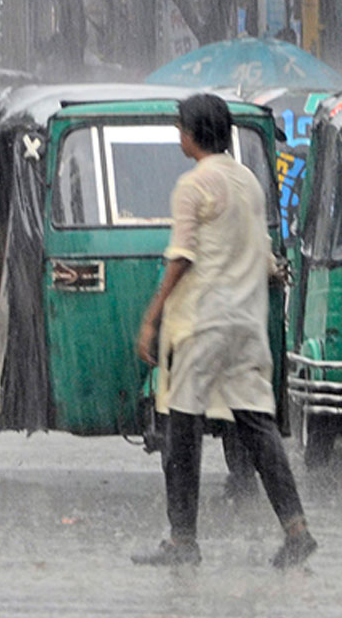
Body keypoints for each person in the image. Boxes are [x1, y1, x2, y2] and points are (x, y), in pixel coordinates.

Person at [132, 94, 316, 569]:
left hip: (200, 323)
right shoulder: (249, 182)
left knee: (181, 426)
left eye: (180, 127)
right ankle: (296, 528)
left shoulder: (193, 185)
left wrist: (152, 316)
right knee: (257, 424)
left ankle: (182, 540)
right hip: (246, 323)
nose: (178, 135)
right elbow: (262, 250)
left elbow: (182, 257)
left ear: (192, 132)